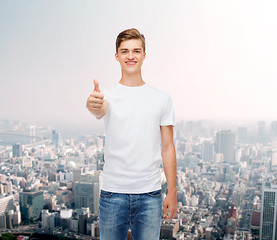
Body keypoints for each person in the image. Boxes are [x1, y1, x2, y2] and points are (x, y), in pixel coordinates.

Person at [86, 28, 177, 240]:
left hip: (150, 195)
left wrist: (172, 190)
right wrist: (91, 104)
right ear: (116, 56)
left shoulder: (162, 99)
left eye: (136, 51)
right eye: (125, 51)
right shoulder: (106, 95)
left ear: (144, 55)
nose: (130, 56)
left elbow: (168, 146)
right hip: (112, 194)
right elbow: (97, 108)